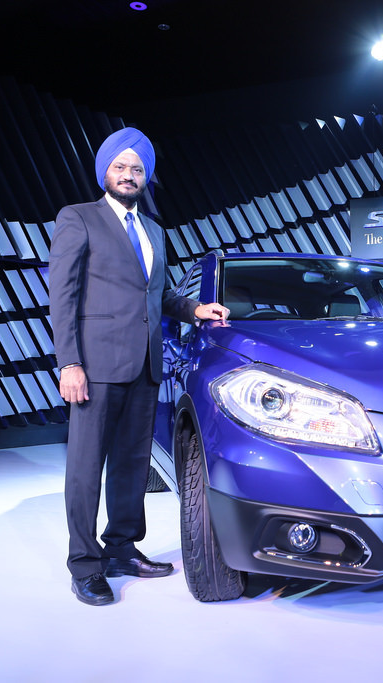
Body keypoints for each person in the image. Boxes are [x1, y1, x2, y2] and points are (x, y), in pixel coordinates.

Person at [49, 127, 228, 606]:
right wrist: (69, 362)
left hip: (146, 365)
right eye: (120, 166)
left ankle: (122, 549)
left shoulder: (153, 231)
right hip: (96, 366)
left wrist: (194, 310)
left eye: (137, 169)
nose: (128, 175)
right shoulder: (78, 218)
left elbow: (157, 295)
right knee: (86, 469)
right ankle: (85, 565)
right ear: (104, 171)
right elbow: (62, 297)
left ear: (145, 177)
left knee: (131, 465)